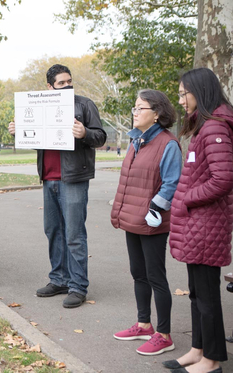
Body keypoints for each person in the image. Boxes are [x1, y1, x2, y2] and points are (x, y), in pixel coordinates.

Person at [8, 64, 106, 308]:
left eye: (69, 81)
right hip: (49, 178)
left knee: (74, 233)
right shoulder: (40, 105)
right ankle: (59, 279)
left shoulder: (84, 105)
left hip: (73, 178)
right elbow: (38, 137)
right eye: (61, 83)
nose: (67, 86)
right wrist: (19, 132)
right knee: (53, 231)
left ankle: (78, 286)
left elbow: (100, 136)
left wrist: (84, 133)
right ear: (49, 86)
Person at [164, 68, 233, 373]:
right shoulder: (204, 126)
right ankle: (197, 349)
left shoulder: (215, 128)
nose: (180, 100)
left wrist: (188, 197)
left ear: (199, 92)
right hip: (198, 225)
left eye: (183, 93)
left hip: (207, 225)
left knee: (207, 296)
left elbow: (223, 179)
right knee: (196, 293)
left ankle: (212, 359)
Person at [111, 90, 182, 356]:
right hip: (132, 218)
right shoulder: (135, 141)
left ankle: (164, 335)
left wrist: (155, 208)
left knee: (156, 276)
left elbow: (173, 183)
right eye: (134, 107)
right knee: (138, 273)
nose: (135, 112)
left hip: (152, 221)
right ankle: (144, 324)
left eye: (141, 108)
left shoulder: (168, 144)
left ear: (157, 113)